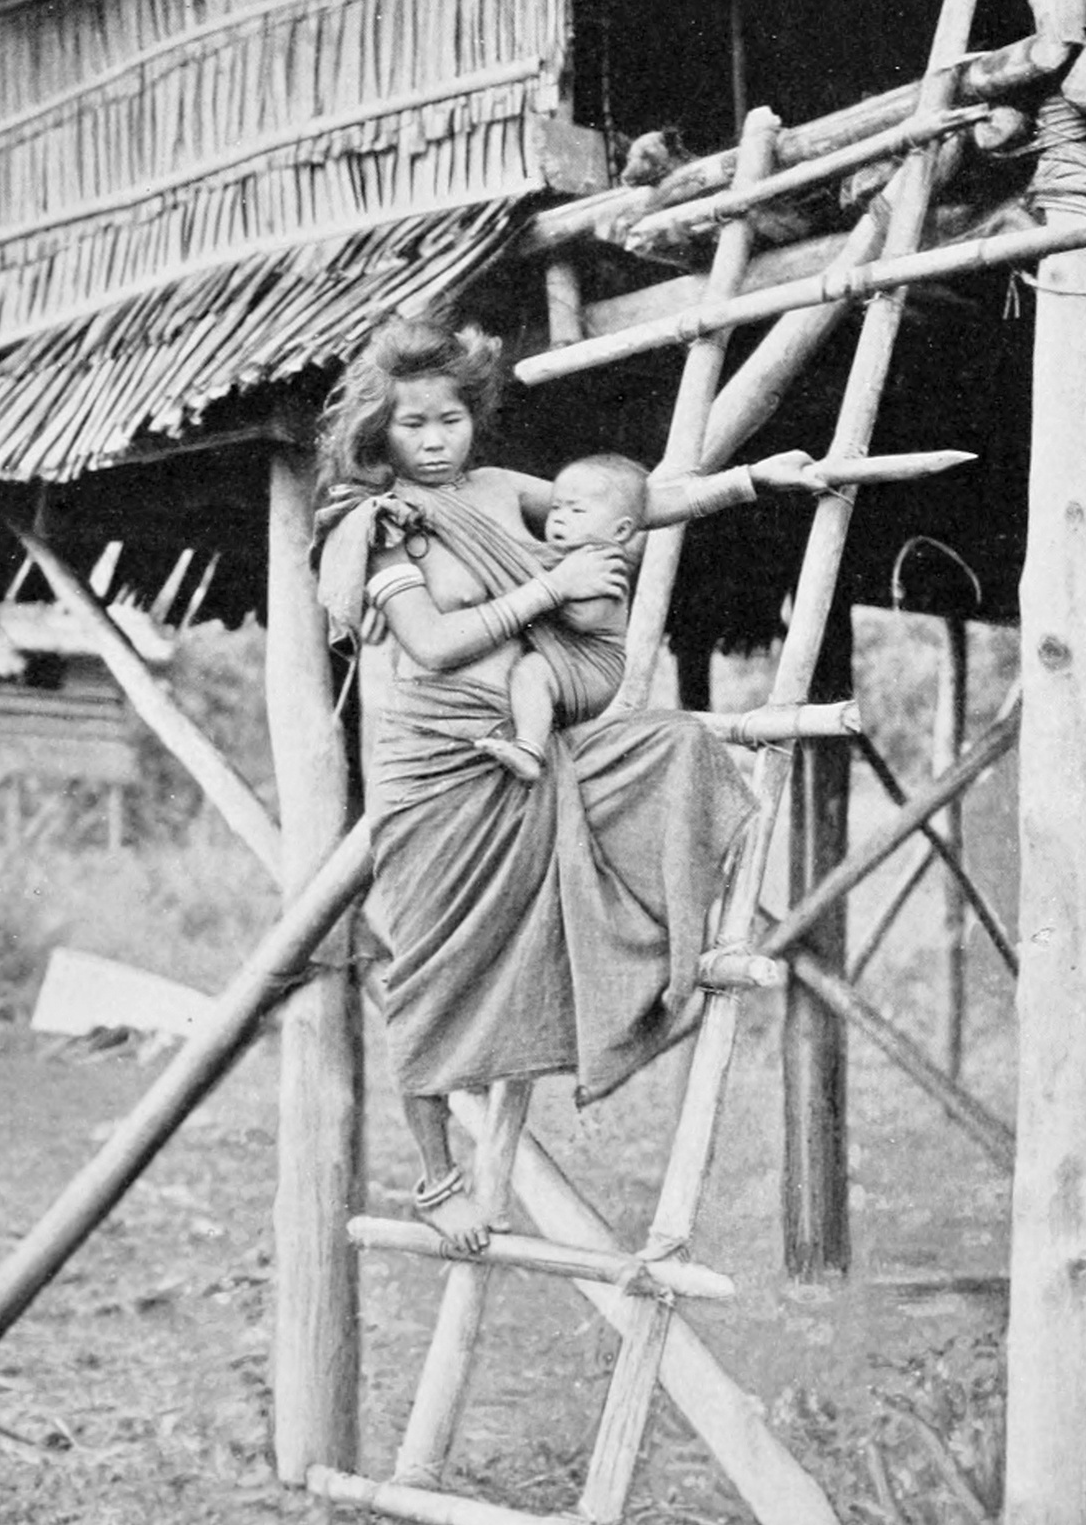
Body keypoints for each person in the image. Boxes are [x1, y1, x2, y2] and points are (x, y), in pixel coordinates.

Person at [314, 317, 821, 1253]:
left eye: (452, 420)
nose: (436, 441)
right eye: (414, 425)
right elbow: (435, 643)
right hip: (439, 768)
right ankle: (436, 1180)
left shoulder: (503, 489)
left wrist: (752, 481)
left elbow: (625, 505)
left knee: (675, 746)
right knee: (430, 971)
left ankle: (655, 954)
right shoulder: (382, 533)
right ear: (381, 430)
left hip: (538, 743)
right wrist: (551, 589)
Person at [475, 451, 648, 784]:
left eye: (577, 511)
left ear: (620, 531)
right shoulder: (558, 558)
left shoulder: (604, 562)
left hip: (592, 668)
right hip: (565, 660)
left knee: (531, 672)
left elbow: (585, 618)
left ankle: (529, 752)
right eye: (556, 508)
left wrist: (545, 592)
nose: (560, 519)